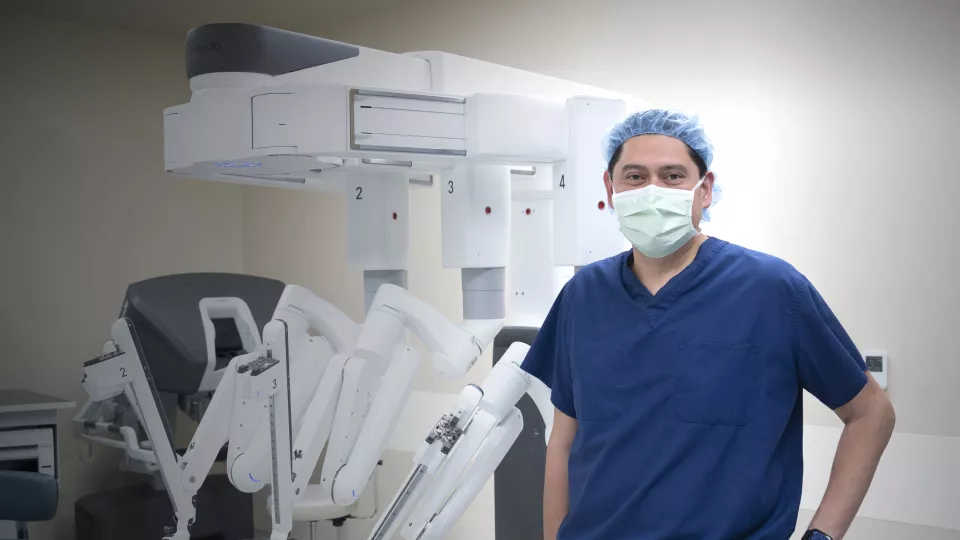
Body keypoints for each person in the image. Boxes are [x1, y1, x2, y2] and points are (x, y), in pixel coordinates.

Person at [521, 109, 896, 540]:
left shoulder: (771, 290)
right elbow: (563, 443)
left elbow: (871, 413)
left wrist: (822, 536)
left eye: (673, 176)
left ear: (705, 190)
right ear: (610, 187)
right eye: (635, 176)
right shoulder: (583, 294)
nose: (653, 190)